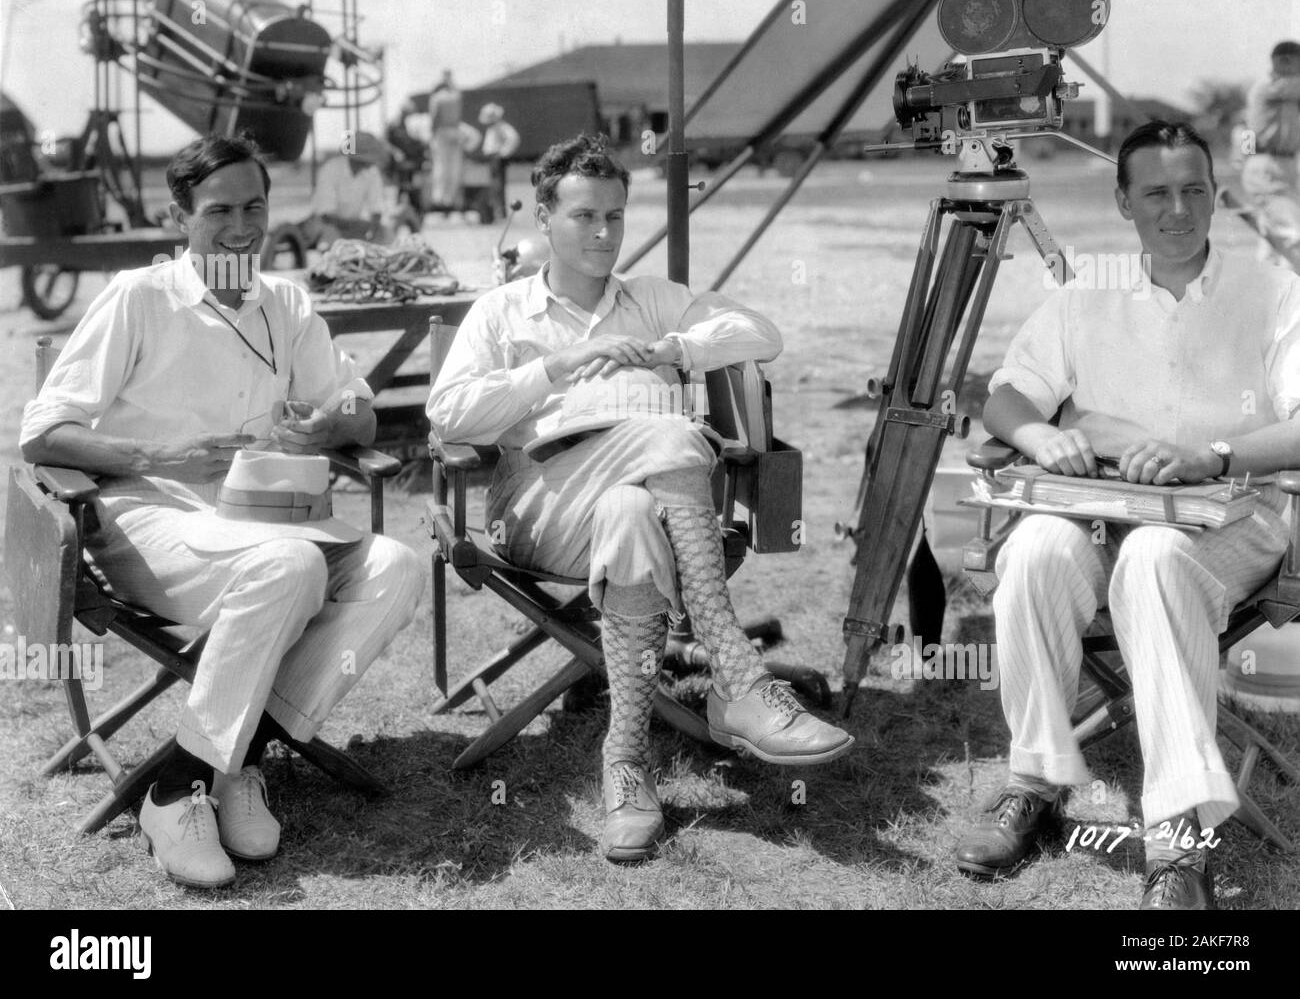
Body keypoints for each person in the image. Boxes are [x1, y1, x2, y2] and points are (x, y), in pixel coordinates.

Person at [427, 134, 854, 863]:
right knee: (674, 434)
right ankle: (738, 678)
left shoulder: (653, 301)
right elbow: (448, 416)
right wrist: (552, 369)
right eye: (585, 216)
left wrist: (676, 351)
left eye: (616, 216)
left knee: (630, 511)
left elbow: (763, 333)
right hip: (540, 505)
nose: (603, 233)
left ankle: (624, 764)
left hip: (642, 514)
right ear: (542, 217)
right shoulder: (504, 313)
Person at [20, 132, 424, 889]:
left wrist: (329, 426)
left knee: (397, 566)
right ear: (180, 217)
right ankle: (178, 796)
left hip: (266, 519)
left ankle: (218, 761)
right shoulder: (140, 298)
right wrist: (156, 457)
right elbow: (42, 433)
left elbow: (362, 415)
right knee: (292, 566)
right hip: (149, 520)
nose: (241, 228)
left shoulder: (286, 303)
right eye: (218, 212)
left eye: (254, 207)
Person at [953, 121, 1300, 909]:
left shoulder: (1275, 292)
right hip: (1102, 515)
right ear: (1123, 202)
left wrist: (1213, 453)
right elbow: (1010, 391)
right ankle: (1033, 780)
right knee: (1035, 550)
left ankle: (1179, 842)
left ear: (1216, 196)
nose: (1178, 210)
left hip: (1229, 522)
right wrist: (1039, 433)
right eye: (1156, 194)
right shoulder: (1088, 295)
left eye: (1194, 191)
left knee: (1153, 561)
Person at [1242, 40, 1300, 269]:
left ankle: (1263, 296)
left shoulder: (1288, 96)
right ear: (1284, 60)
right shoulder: (1268, 86)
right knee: (1292, 232)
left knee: (1272, 243)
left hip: (1282, 164)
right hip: (1265, 163)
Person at [301, 130, 391, 248]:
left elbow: (376, 207)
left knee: (385, 234)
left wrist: (372, 230)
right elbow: (326, 214)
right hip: (325, 224)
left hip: (353, 224)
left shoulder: (372, 173)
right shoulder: (331, 169)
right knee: (331, 241)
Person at [478, 102, 521, 221]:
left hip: (497, 158)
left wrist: (503, 153)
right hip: (492, 159)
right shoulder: (493, 128)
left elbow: (513, 138)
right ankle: (496, 211)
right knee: (494, 186)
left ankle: (500, 212)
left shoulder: (502, 127)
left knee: (498, 186)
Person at [428, 71, 464, 209]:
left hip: (441, 132)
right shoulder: (456, 96)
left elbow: (435, 117)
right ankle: (450, 198)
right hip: (455, 131)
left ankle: (439, 198)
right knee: (454, 166)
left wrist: (432, 134)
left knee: (441, 165)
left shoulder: (436, 98)